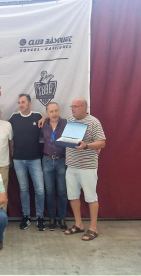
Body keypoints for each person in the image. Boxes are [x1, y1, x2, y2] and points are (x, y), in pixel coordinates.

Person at [63, 98, 105, 241]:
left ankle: (93, 228)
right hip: (71, 166)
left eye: (75, 106)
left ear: (84, 107)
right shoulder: (69, 119)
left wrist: (86, 145)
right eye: (72, 106)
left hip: (87, 167)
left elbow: (102, 142)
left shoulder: (94, 122)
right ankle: (78, 224)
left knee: (91, 197)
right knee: (73, 196)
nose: (72, 109)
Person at [9, 94, 45, 231]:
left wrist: (46, 117)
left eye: (23, 102)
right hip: (18, 159)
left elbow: (50, 124)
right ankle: (26, 216)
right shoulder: (13, 118)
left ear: (29, 103)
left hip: (35, 159)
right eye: (19, 102)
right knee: (23, 189)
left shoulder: (37, 116)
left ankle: (40, 217)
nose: (21, 105)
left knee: (40, 190)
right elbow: (9, 136)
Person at [41, 102, 68, 231]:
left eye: (56, 110)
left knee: (62, 191)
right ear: (47, 112)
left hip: (61, 161)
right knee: (50, 191)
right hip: (46, 160)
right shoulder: (43, 124)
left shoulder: (65, 123)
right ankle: (52, 218)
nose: (54, 113)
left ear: (59, 110)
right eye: (51, 111)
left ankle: (61, 218)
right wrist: (44, 118)